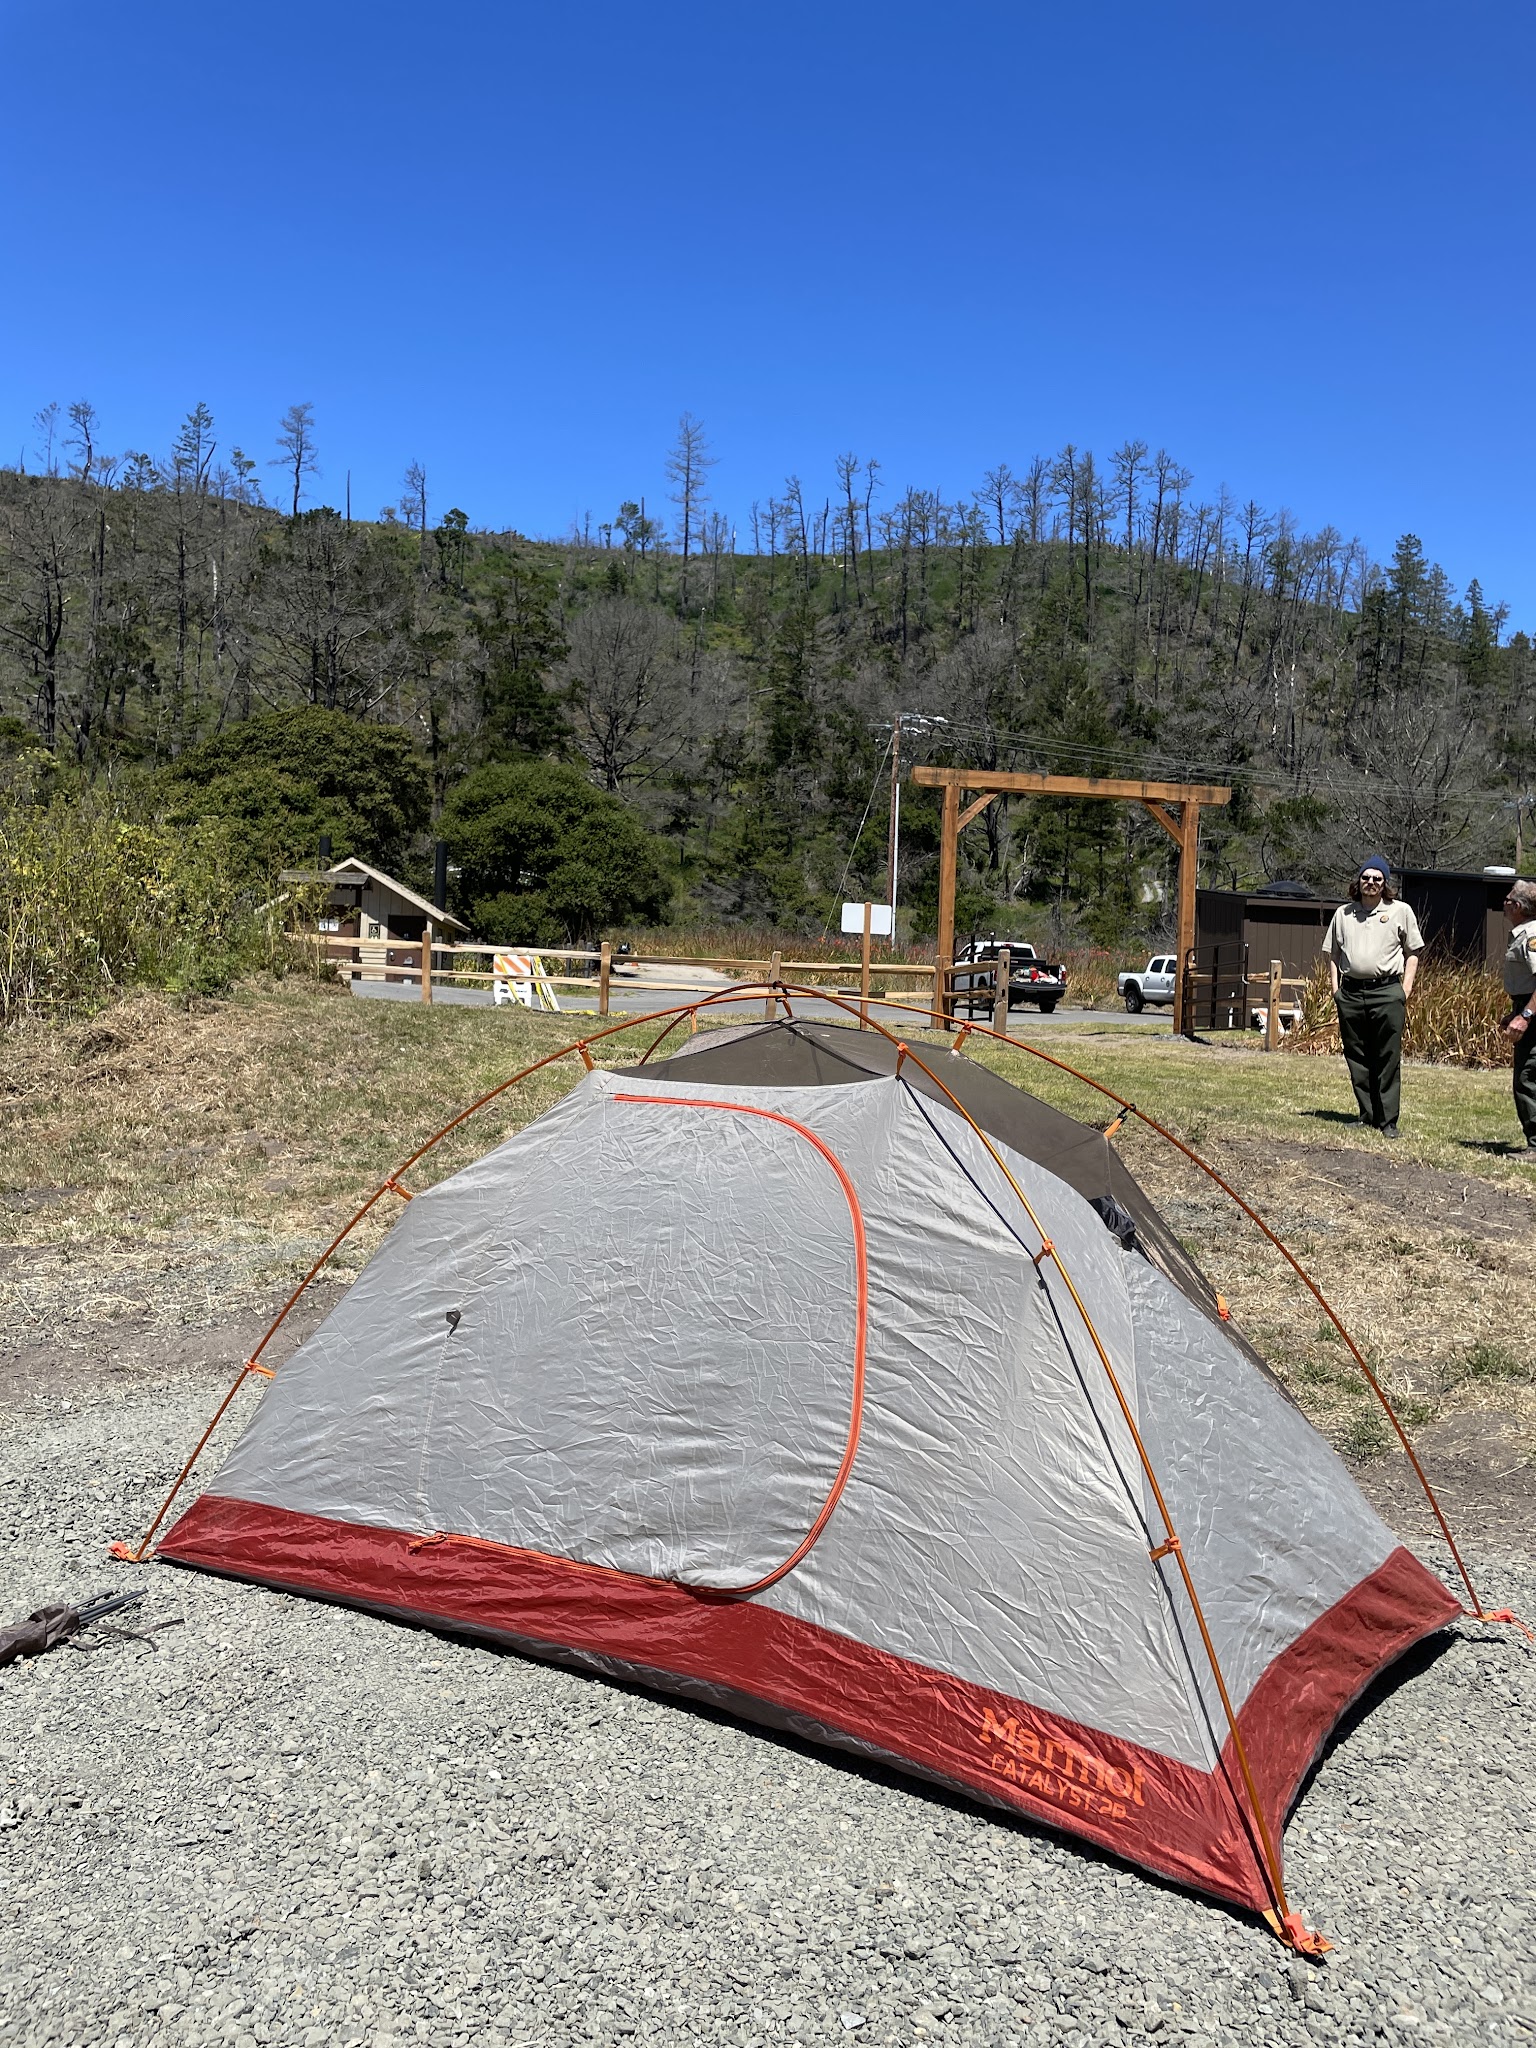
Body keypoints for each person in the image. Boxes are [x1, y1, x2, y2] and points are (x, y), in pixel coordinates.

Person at [1321, 855, 1423, 1136]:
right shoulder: (1344, 913)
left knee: (1387, 1056)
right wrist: (1335, 990)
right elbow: (1333, 954)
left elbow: (1413, 952)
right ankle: (1366, 1114)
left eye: (1377, 879)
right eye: (1366, 878)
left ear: (1384, 883)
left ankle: (1388, 1120)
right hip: (1351, 993)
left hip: (1387, 992)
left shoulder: (1400, 911)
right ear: (1359, 881)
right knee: (1357, 1055)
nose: (1371, 883)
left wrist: (1405, 990)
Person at [1499, 879, 1536, 1153]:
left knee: (1527, 1077)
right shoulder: (1521, 934)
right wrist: (1514, 1013)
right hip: (1526, 1005)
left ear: (1520, 907)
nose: (1505, 902)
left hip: (1532, 1012)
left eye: (1509, 899)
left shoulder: (1532, 937)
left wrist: (1525, 1015)